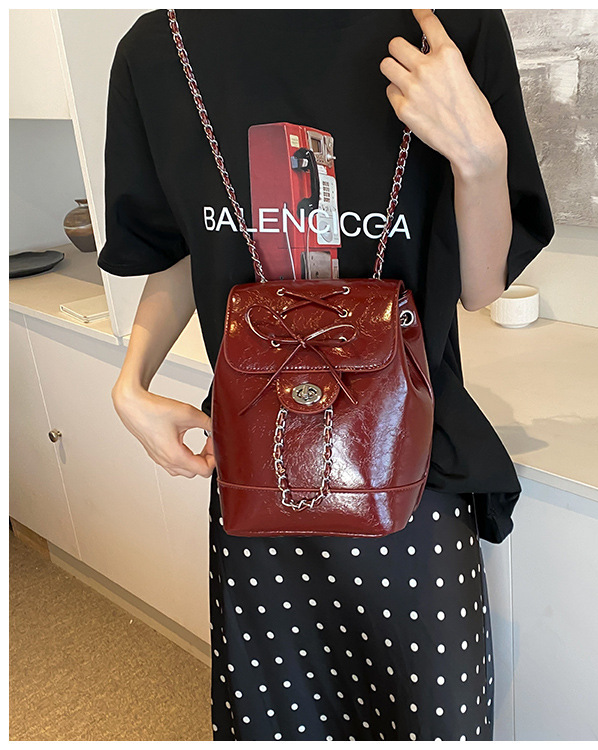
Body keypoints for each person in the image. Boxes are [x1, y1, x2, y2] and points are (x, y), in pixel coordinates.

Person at [97, 9, 554, 741]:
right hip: (256, 457)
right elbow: (184, 246)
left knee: (428, 720)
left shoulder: (452, 28)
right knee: (279, 720)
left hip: (408, 461)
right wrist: (131, 382)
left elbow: (481, 287)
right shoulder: (160, 49)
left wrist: (481, 158)